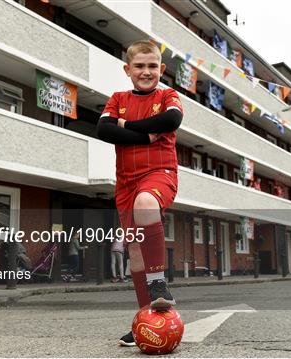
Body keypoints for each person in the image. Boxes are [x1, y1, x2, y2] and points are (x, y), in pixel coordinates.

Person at [96, 40, 183, 347]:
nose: (146, 72)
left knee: (146, 203)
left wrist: (126, 126)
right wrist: (146, 133)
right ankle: (145, 318)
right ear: (128, 69)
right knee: (134, 250)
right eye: (139, 66)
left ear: (161, 69)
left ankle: (159, 284)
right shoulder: (118, 98)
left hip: (160, 173)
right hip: (125, 182)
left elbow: (170, 120)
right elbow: (103, 130)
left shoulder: (168, 95)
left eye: (152, 66)